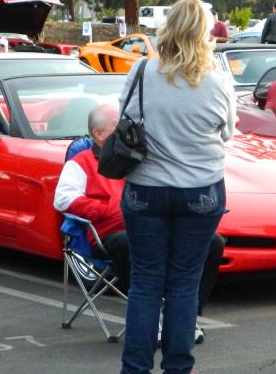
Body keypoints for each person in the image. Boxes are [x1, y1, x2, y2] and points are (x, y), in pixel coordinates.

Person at [106, 0, 236, 374]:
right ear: (206, 32)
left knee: (146, 282)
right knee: (184, 283)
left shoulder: (144, 70)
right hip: (199, 189)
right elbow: (228, 131)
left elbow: (124, 116)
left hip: (146, 188)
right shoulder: (218, 77)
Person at [53, 103, 223, 345]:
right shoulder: (81, 162)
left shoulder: (142, 156)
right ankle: (150, 319)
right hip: (112, 232)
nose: (126, 130)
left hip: (157, 224)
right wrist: (105, 210)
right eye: (117, 126)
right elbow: (63, 199)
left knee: (212, 243)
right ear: (98, 134)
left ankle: (185, 317)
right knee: (129, 243)